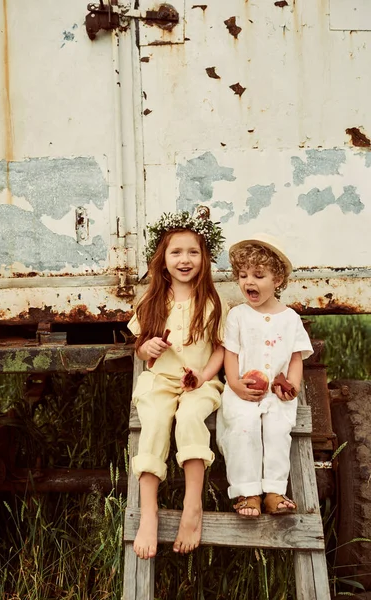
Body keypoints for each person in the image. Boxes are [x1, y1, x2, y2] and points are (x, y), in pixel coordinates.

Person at [127, 210, 226, 559]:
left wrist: (204, 376)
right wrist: (147, 347)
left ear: (204, 258)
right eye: (176, 252)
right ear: (162, 259)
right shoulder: (151, 300)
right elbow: (141, 349)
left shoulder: (213, 302)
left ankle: (192, 504)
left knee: (189, 420)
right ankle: (149, 512)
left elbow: (219, 349)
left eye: (193, 252)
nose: (185, 260)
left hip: (198, 383)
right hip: (159, 381)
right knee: (153, 422)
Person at [216, 233, 313, 517]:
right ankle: (247, 493)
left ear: (278, 280)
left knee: (277, 431)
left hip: (277, 394)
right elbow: (230, 354)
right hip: (243, 389)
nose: (249, 282)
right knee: (243, 428)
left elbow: (296, 358)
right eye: (243, 275)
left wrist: (292, 385)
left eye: (259, 275)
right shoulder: (238, 316)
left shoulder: (290, 318)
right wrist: (234, 384)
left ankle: (274, 491)